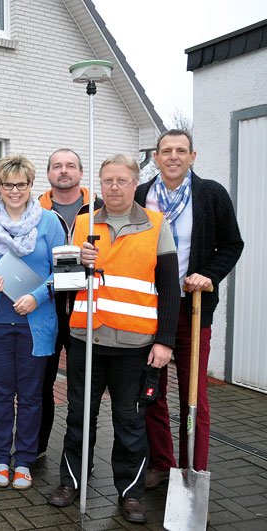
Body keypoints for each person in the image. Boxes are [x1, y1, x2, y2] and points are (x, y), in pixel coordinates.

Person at [48, 154, 180, 524]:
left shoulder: (156, 225)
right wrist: (78, 263)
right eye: (108, 181)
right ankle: (70, 481)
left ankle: (131, 493)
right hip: (86, 340)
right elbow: (65, 283)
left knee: (130, 422)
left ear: (135, 183)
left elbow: (170, 289)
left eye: (122, 180)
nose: (115, 187)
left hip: (135, 346)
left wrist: (164, 341)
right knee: (79, 416)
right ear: (100, 183)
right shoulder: (84, 224)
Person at [137, 129, 243, 489]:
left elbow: (232, 243)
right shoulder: (141, 195)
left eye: (181, 151)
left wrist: (207, 275)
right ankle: (162, 463)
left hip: (192, 310)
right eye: (166, 150)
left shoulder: (211, 194)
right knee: (152, 390)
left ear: (192, 157)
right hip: (149, 308)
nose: (173, 157)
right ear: (156, 157)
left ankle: (192, 472)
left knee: (193, 396)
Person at [0, 155, 64, 490]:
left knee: (31, 395)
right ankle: (0, 456)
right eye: (8, 184)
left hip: (36, 321)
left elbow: (64, 273)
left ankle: (25, 459)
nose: (15, 191)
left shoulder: (50, 223)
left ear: (31, 186)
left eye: (22, 184)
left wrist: (38, 296)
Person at [36, 149, 103, 459]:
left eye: (71, 166)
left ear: (80, 171)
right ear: (49, 173)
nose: (64, 171)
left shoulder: (100, 208)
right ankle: (34, 451)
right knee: (41, 388)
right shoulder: (35, 209)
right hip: (46, 311)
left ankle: (78, 462)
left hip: (87, 311)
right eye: (57, 166)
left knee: (83, 393)